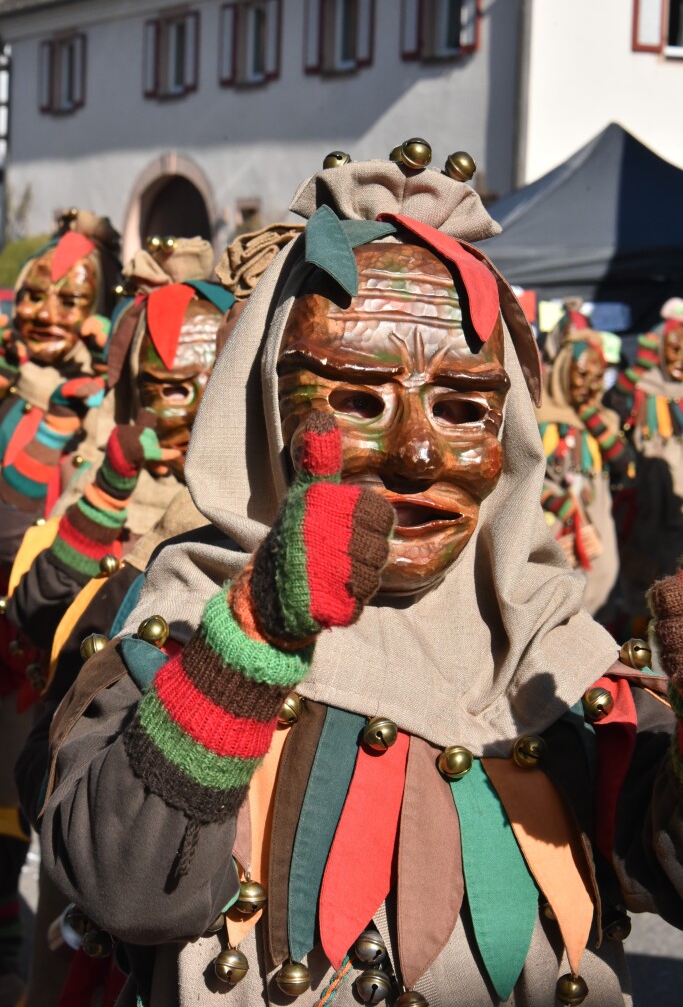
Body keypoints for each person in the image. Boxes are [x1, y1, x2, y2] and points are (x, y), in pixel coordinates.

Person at [38, 150, 682, 1006]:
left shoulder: (561, 667)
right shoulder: (177, 627)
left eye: (460, 408)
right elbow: (128, 891)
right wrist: (249, 645)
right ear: (266, 411)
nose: (417, 454)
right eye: (354, 397)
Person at [8, 236, 230, 1007]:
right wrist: (106, 495)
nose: (191, 411)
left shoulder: (248, 516)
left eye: (211, 388)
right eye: (168, 388)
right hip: (72, 802)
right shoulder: (98, 469)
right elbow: (39, 608)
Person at [0, 209, 120, 1007]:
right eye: (36, 294)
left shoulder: (102, 400)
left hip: (38, 651)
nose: (47, 313)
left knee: (19, 814)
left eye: (68, 301)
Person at [536, 320, 633, 617]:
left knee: (602, 580)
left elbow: (625, 465)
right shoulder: (539, 419)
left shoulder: (604, 420)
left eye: (598, 376)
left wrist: (589, 414)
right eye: (582, 374)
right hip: (554, 522)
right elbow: (522, 477)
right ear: (564, 370)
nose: (591, 383)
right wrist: (558, 505)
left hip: (597, 518)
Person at [611, 299, 683, 630]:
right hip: (645, 508)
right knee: (642, 585)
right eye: (674, 348)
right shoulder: (640, 389)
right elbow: (612, 401)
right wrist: (640, 363)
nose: (680, 357)